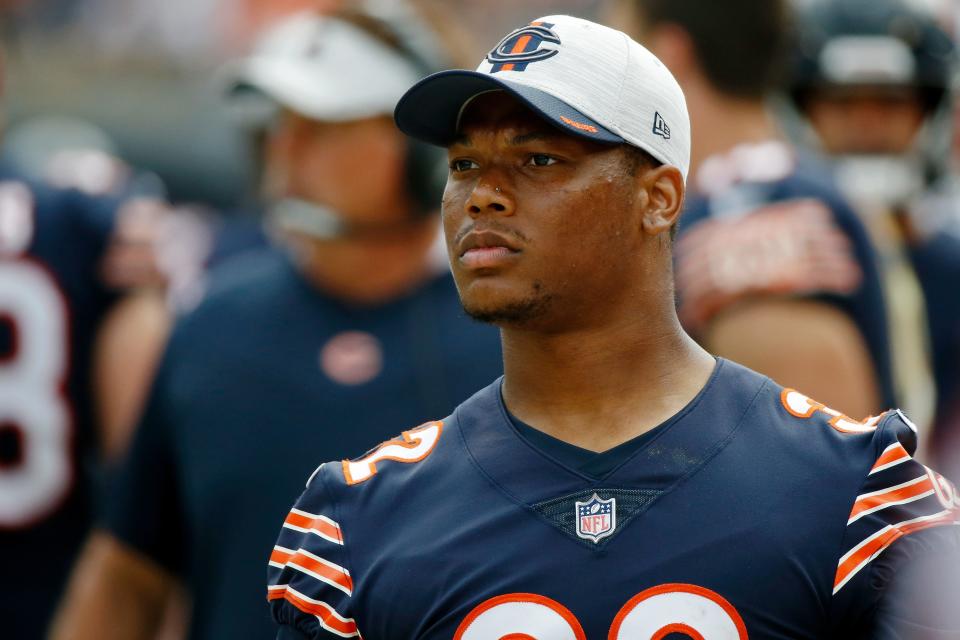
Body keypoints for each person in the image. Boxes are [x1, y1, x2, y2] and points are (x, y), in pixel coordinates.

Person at [266, 15, 960, 639]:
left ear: (657, 198)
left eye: (539, 160)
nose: (484, 194)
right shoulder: (352, 523)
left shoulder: (854, 492)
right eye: (464, 164)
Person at [50, 7, 502, 640]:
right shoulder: (211, 329)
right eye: (278, 124)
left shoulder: (510, 337)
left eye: (322, 125)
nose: (284, 150)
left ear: (423, 154)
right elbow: (127, 573)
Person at [611, 0, 896, 422]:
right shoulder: (753, 191)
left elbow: (820, 463)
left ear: (667, 54)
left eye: (620, 56)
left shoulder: (752, 214)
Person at [788, 0, 960, 474]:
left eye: (890, 102)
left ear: (929, 113)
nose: (866, 124)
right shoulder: (777, 271)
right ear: (804, 112)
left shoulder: (952, 268)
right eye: (843, 102)